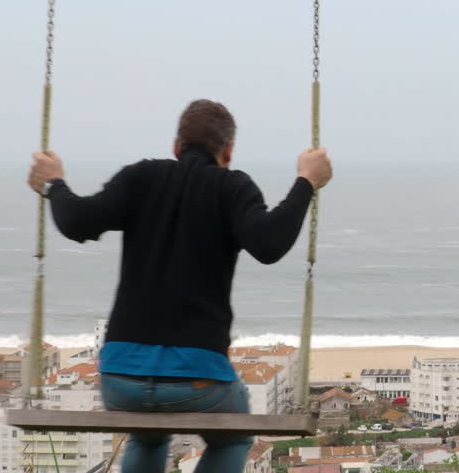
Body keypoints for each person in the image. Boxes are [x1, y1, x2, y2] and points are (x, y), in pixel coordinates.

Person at [27, 99, 333, 473]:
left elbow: (76, 221)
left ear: (176, 146)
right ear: (228, 150)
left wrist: (54, 183)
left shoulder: (140, 178)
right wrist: (306, 181)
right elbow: (269, 244)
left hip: (122, 379)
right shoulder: (232, 187)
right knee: (236, 436)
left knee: (148, 433)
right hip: (198, 380)